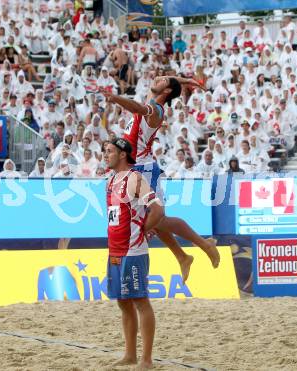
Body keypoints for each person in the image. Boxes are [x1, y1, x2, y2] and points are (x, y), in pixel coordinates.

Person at [100, 76, 220, 282]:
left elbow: (137, 107)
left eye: (163, 80)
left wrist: (116, 98)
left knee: (158, 218)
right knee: (155, 222)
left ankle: (203, 245)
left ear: (165, 92)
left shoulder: (156, 111)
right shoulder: (153, 98)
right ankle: (183, 256)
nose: (158, 77)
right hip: (133, 166)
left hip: (144, 169)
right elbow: (167, 83)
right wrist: (187, 80)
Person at [105, 138, 162, 370]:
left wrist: (144, 229)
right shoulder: (110, 180)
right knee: (122, 302)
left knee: (140, 301)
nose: (105, 154)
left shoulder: (135, 179)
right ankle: (130, 354)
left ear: (122, 155)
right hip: (115, 250)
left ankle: (146, 360)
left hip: (133, 250)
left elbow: (157, 209)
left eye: (109, 151)